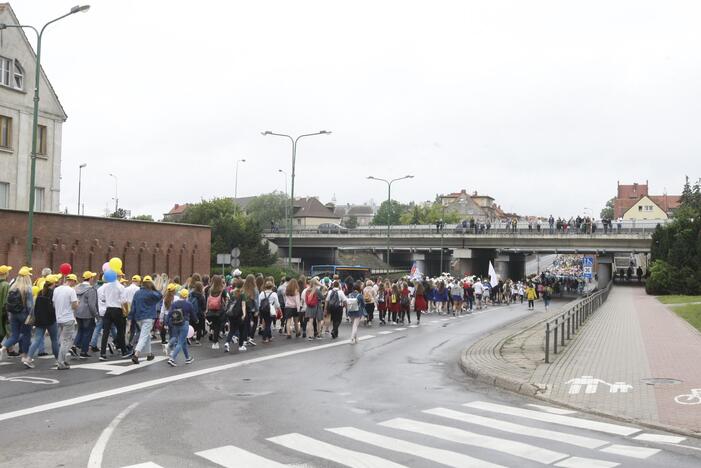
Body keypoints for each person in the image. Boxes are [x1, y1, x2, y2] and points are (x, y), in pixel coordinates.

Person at [24, 274, 60, 368]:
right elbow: (55, 307)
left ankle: (28, 358)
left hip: (40, 320)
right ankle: (57, 360)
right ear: (53, 284)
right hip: (51, 319)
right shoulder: (54, 293)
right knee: (54, 340)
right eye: (56, 282)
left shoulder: (40, 292)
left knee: (37, 339)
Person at [0, 266, 34, 363]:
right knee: (26, 335)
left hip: (13, 314)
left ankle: (2, 348)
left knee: (14, 335)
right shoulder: (27, 288)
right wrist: (31, 317)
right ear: (27, 277)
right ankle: (25, 356)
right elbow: (30, 305)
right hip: (24, 314)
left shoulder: (12, 286)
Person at [129, 276, 163, 364]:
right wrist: (156, 289)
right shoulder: (151, 293)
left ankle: (149, 354)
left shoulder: (137, 293)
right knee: (144, 336)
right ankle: (136, 354)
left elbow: (133, 306)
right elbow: (160, 296)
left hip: (138, 318)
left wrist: (130, 318)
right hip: (148, 317)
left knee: (146, 335)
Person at [53, 273, 80, 370]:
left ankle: (62, 360)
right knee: (66, 341)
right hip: (68, 318)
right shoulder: (71, 290)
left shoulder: (56, 289)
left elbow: (54, 303)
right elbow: (74, 305)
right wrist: (78, 303)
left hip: (59, 318)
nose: (74, 284)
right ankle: (61, 362)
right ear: (72, 281)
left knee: (62, 339)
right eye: (74, 282)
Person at [100, 274, 129, 361]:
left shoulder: (106, 286)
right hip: (117, 310)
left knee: (105, 332)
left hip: (108, 310)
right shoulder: (121, 287)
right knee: (121, 330)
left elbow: (102, 298)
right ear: (118, 277)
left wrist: (109, 300)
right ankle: (124, 351)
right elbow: (124, 301)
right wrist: (126, 311)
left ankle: (102, 353)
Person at [166, 288, 196, 366]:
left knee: (183, 341)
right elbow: (193, 315)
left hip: (175, 323)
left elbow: (169, 314)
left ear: (180, 295)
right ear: (186, 296)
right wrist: (196, 320)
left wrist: (166, 323)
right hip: (184, 324)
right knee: (180, 342)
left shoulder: (174, 303)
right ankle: (172, 359)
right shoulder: (188, 304)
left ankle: (187, 358)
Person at [73, 271, 98, 358]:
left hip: (77, 312)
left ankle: (74, 345)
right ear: (90, 278)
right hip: (87, 313)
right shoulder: (91, 290)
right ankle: (84, 351)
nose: (93, 279)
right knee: (88, 332)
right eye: (92, 278)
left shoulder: (77, 287)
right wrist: (96, 315)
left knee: (80, 330)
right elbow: (91, 304)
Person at [205, 275, 228, 349]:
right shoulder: (222, 290)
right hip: (219, 310)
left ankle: (213, 336)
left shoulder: (210, 290)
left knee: (214, 325)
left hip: (211, 310)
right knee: (218, 326)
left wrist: (207, 309)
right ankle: (215, 342)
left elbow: (208, 300)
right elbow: (226, 299)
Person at [0, 265, 11, 342]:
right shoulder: (6, 285)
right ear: (5, 273)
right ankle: (9, 349)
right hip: (3, 311)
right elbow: (6, 299)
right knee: (7, 330)